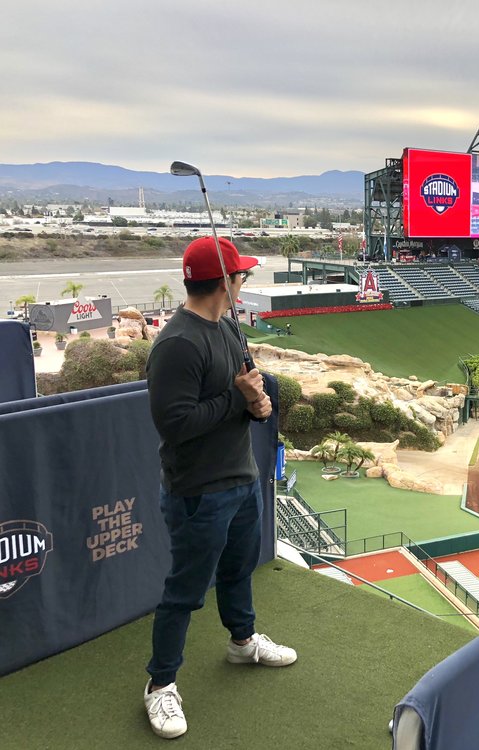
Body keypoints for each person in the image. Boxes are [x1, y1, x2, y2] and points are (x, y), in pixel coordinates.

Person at [143, 236, 296, 739]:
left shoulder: (229, 330)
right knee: (184, 593)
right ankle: (160, 684)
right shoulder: (177, 344)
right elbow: (177, 424)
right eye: (241, 277)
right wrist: (238, 401)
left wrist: (260, 403)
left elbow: (249, 385)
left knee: (238, 572)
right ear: (225, 283)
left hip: (241, 480)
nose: (243, 284)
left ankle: (243, 641)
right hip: (198, 493)